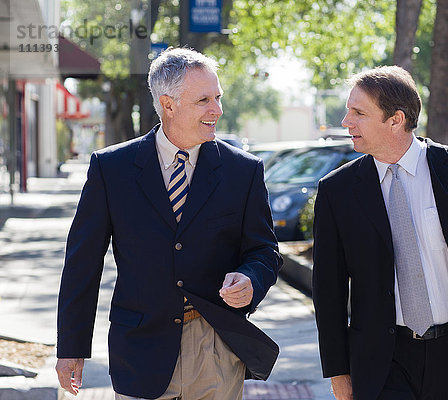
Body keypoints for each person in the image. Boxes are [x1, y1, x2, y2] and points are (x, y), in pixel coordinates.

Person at [55, 47, 283, 399]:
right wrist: (71, 346)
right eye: (204, 100)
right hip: (141, 350)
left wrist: (251, 280)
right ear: (169, 104)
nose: (217, 110)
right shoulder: (112, 169)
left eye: (218, 98)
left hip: (216, 346)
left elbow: (264, 251)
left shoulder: (244, 171)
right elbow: (82, 263)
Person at [312, 66, 448, 400]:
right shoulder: (337, 191)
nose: (346, 122)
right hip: (381, 361)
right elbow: (327, 290)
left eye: (358, 113)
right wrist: (338, 371)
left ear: (396, 120)